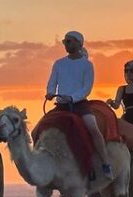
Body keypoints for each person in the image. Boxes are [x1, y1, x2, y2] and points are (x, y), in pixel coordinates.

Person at [46, 31, 112, 179]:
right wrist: (50, 92)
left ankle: (106, 163)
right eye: (65, 42)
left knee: (93, 128)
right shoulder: (58, 63)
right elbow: (52, 82)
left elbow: (86, 88)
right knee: (40, 128)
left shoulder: (87, 65)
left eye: (69, 41)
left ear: (78, 43)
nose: (66, 44)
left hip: (79, 105)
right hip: (61, 104)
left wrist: (72, 98)